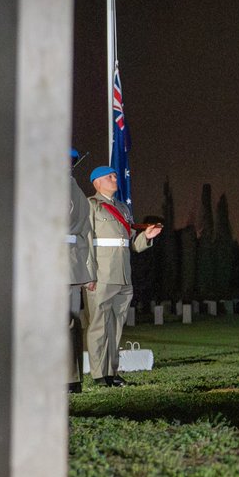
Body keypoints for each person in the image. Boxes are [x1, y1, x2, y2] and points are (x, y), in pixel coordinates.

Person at [84, 165, 162, 387]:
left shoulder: (123, 209)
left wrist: (147, 236)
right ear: (97, 182)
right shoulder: (91, 205)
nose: (115, 178)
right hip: (101, 275)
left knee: (115, 326)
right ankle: (99, 375)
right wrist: (88, 274)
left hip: (123, 275)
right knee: (98, 325)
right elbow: (86, 242)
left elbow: (132, 244)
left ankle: (112, 372)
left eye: (115, 175)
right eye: (109, 176)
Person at [67, 149, 97, 393]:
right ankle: (72, 378)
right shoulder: (78, 192)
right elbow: (86, 234)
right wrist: (87, 270)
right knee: (71, 322)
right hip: (73, 263)